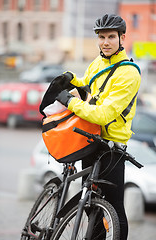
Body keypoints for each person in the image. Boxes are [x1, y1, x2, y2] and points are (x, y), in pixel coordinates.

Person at [55, 14, 141, 240]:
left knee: (113, 208)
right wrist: (71, 78)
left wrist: (71, 102)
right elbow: (89, 85)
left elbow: (104, 114)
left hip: (111, 148)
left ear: (122, 38)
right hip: (90, 140)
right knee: (91, 207)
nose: (105, 42)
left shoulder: (129, 73)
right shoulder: (98, 62)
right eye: (101, 37)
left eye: (111, 37)